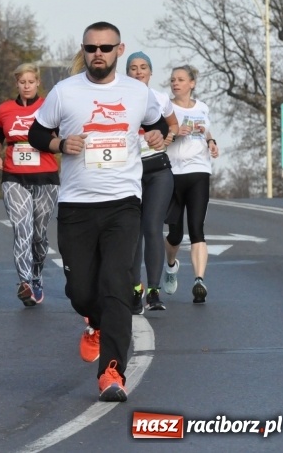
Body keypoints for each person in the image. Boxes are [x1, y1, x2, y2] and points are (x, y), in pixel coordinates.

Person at [28, 21, 167, 402]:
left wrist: (157, 134)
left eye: (106, 48)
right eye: (91, 48)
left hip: (123, 203)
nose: (98, 54)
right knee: (80, 291)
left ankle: (112, 372)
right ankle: (94, 321)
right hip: (76, 205)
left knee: (116, 286)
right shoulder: (65, 91)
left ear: (119, 50)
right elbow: (36, 134)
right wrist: (59, 144)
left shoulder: (137, 92)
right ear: (84, 51)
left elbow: (157, 123)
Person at [0, 63, 60, 306]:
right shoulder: (5, 109)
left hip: (46, 177)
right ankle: (25, 282)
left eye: (31, 82)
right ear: (17, 84)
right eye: (22, 82)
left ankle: (37, 274)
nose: (27, 86)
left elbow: (61, 136)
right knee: (22, 228)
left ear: (38, 82)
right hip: (14, 176)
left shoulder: (49, 107)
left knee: (39, 235)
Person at [125, 52, 179, 313]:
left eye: (143, 67)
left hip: (158, 170)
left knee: (153, 227)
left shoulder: (159, 98)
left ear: (150, 72)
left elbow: (173, 125)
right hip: (130, 173)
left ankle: (154, 292)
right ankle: (136, 289)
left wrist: (168, 137)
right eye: (133, 68)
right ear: (127, 73)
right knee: (133, 231)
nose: (139, 72)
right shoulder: (120, 97)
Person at [163, 65, 219, 304]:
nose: (175, 83)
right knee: (175, 234)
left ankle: (199, 281)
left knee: (197, 228)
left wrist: (212, 142)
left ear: (192, 83)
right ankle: (170, 265)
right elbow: (158, 140)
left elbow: (207, 131)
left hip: (199, 171)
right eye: (173, 80)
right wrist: (175, 134)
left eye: (181, 79)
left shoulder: (202, 107)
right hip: (173, 172)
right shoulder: (166, 108)